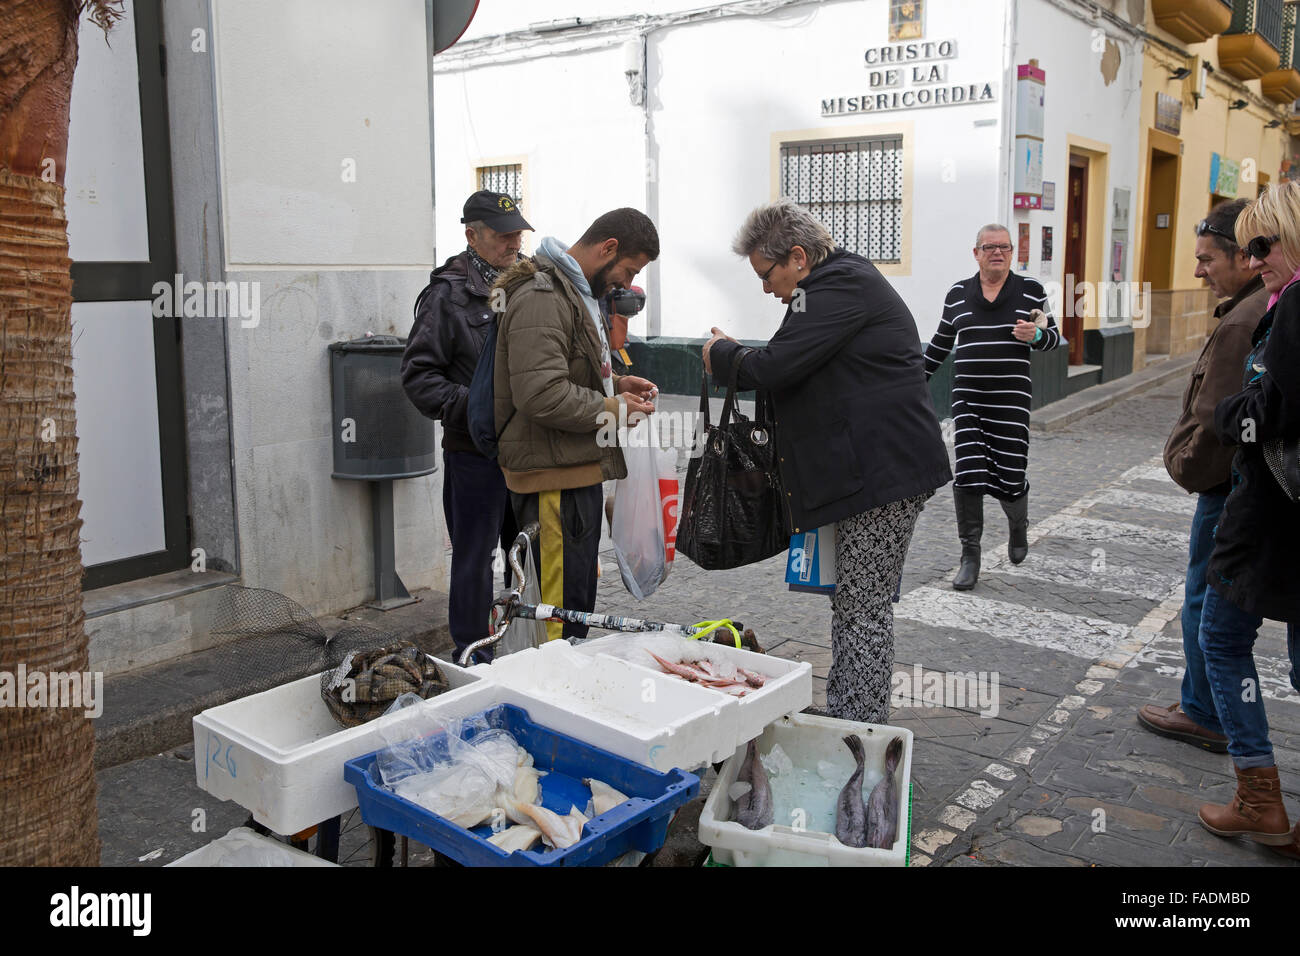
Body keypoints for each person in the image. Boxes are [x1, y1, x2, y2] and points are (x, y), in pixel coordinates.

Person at [703, 198, 951, 724]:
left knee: (863, 610)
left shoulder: (840, 287)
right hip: (865, 474)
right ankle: (849, 712)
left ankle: (858, 730)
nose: (765, 288)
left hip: (885, 476)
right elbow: (790, 362)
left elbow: (775, 366)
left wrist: (722, 355)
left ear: (797, 257)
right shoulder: (830, 286)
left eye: (766, 274)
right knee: (854, 603)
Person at [493, 208, 660, 640]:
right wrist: (614, 407)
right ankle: (549, 701)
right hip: (552, 481)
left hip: (572, 471)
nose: (625, 284)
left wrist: (618, 383)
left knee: (573, 611)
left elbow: (566, 371)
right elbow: (542, 394)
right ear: (608, 248)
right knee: (555, 622)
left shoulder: (572, 291)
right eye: (627, 270)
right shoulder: (543, 295)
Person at [1194, 183, 1300, 860]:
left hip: (1271, 520)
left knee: (1222, 639)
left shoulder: (1294, 307)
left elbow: (1273, 410)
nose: (1255, 259)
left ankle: (1258, 795)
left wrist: (1232, 415)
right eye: (1251, 247)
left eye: (1265, 244)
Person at [1139, 200, 1266, 753]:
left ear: (1244, 256)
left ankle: (1205, 712)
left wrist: (1183, 465)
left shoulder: (1244, 318)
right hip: (1239, 487)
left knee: (1206, 603)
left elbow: (1217, 420)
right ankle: (1204, 701)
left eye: (1206, 259)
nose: (1197, 271)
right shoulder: (1257, 306)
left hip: (1225, 489)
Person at [400, 190, 531, 663]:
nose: (514, 242)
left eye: (518, 232)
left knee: (528, 557)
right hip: (474, 454)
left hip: (529, 452)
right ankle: (471, 658)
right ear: (472, 235)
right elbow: (418, 377)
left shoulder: (531, 282)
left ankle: (523, 650)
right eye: (502, 235)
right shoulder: (446, 294)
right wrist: (479, 407)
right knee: (474, 563)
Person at [923, 225, 1061, 590]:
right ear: (976, 253)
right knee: (967, 476)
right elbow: (939, 344)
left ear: (1012, 253)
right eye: (989, 247)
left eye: (1004, 247)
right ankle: (970, 556)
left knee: (1010, 477)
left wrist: (1038, 335)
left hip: (1011, 401)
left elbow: (1055, 337)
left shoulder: (1031, 291)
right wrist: (911, 379)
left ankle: (1018, 525)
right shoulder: (957, 294)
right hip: (968, 401)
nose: (997, 252)